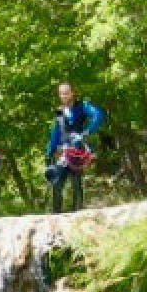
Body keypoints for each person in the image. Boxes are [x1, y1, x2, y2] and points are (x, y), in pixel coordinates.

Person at [45, 83, 104, 213]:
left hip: (77, 151)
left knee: (76, 182)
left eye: (66, 93)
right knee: (57, 183)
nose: (64, 96)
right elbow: (56, 131)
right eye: (61, 93)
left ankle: (78, 214)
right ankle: (56, 215)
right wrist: (50, 150)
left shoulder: (82, 106)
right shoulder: (59, 110)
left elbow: (99, 115)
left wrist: (86, 133)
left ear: (72, 93)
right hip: (62, 152)